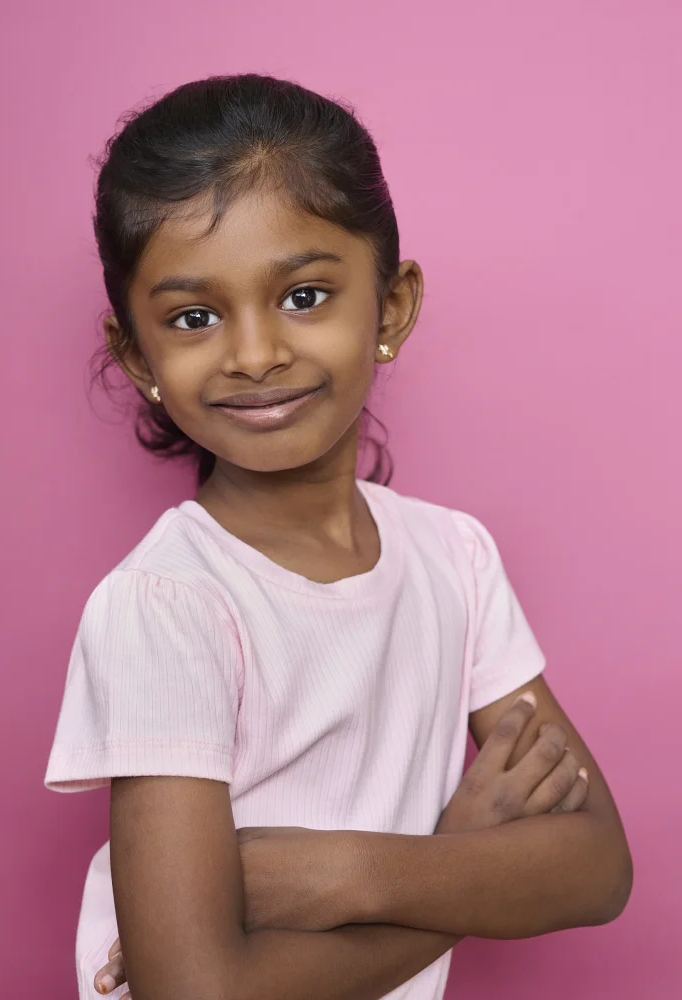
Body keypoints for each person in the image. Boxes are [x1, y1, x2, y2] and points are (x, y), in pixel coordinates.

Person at [44, 74, 632, 1000]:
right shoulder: (167, 603)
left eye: (305, 295)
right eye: (194, 317)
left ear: (390, 307)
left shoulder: (455, 558)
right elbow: (197, 992)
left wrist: (338, 873)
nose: (255, 354)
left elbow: (596, 866)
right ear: (138, 356)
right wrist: (461, 857)